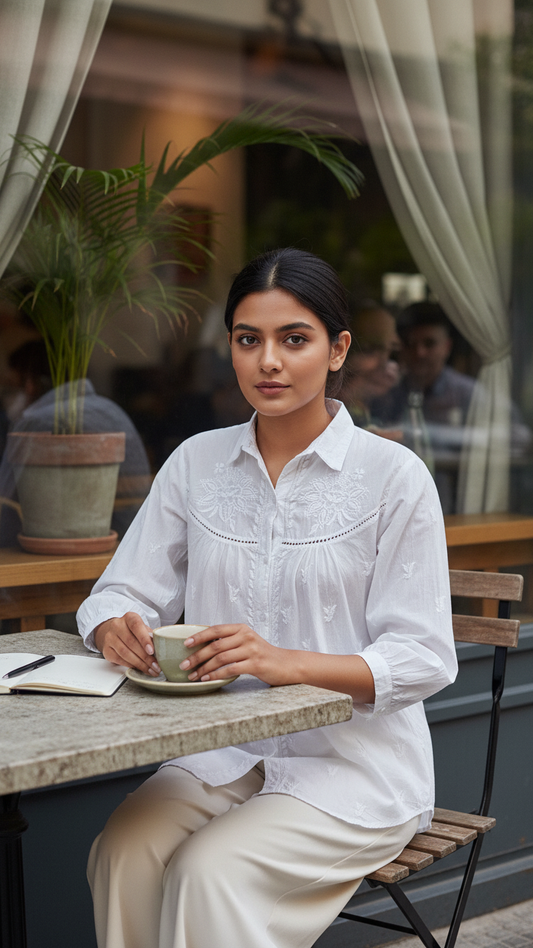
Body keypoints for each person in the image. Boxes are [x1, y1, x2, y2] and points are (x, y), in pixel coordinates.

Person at [76, 248, 457, 948]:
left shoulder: (391, 477)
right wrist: (112, 629)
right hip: (220, 751)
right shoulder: (195, 462)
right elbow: (120, 591)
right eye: (248, 340)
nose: (268, 361)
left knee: (208, 872)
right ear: (230, 348)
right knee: (122, 848)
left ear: (337, 350)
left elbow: (423, 657)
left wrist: (286, 661)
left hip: (355, 765)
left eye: (294, 339)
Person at [340, 302, 402, 438]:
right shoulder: (332, 404)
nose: (383, 364)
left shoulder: (394, 393)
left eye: (390, 351)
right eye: (370, 350)